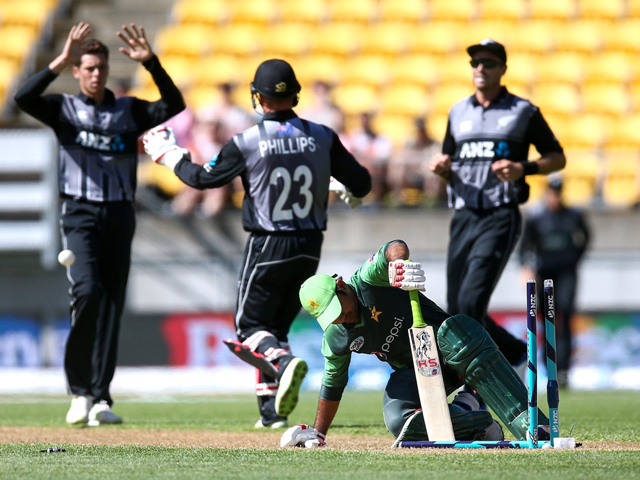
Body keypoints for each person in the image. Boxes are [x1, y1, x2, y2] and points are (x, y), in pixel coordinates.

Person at [142, 59, 372, 428]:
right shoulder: (323, 135)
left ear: (258, 98)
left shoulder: (248, 140)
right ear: (295, 95)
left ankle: (281, 363)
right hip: (310, 245)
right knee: (274, 329)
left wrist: (170, 155)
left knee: (249, 328)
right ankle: (271, 412)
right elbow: (362, 183)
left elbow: (203, 179)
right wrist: (339, 183)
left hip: (268, 243)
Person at [14, 22, 186, 425]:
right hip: (80, 213)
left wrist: (152, 63)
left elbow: (174, 104)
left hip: (119, 215)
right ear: (78, 71)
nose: (94, 74)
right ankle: (79, 391)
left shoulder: (128, 111)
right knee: (88, 292)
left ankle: (101, 398)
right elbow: (23, 96)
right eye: (87, 68)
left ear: (107, 71)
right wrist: (59, 59)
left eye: (100, 68)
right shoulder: (64, 110)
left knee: (111, 306)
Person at [279, 239, 549, 448]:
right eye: (330, 316)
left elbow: (394, 247)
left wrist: (397, 264)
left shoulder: (367, 281)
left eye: (338, 308)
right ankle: (475, 417)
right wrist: (319, 432)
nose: (340, 318)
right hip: (419, 372)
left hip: (453, 349)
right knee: (400, 421)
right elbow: (332, 385)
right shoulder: (336, 336)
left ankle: (533, 424)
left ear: (341, 285)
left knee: (457, 333)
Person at [428, 39, 566, 370]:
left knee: (472, 301)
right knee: (456, 308)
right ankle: (514, 352)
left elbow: (557, 157)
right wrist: (442, 169)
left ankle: (478, 379)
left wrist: (523, 168)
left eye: (488, 63)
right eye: (475, 62)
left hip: (499, 214)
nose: (480, 68)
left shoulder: (522, 111)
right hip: (463, 214)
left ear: (503, 69)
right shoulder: (457, 112)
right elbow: (450, 161)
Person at [519, 177, 590, 387]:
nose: (555, 197)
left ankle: (564, 370)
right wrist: (526, 269)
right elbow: (524, 248)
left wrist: (575, 259)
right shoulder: (536, 217)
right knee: (545, 319)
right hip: (544, 274)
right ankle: (548, 366)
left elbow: (585, 238)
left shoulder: (573, 216)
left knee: (565, 314)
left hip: (567, 272)